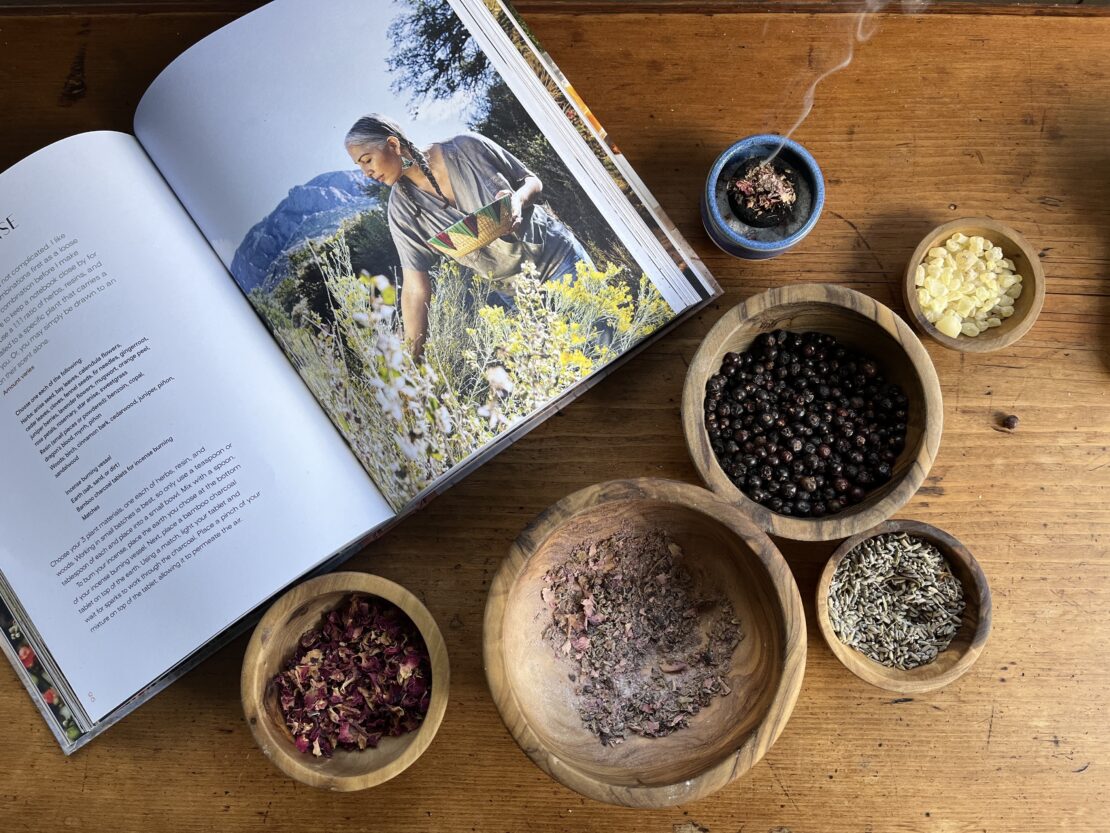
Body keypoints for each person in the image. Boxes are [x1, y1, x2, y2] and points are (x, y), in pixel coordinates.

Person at [344, 113, 593, 358]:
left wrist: (517, 201)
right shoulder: (402, 210)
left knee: (604, 339)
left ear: (393, 144)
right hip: (518, 296)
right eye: (359, 165)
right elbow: (415, 288)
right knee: (566, 365)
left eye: (367, 160)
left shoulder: (466, 147)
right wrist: (413, 358)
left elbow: (532, 182)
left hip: (560, 260)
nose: (366, 171)